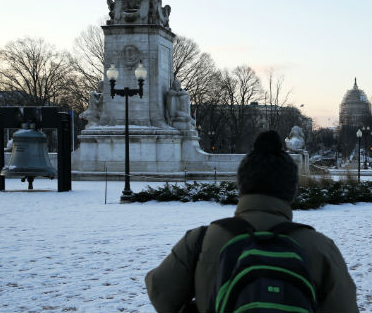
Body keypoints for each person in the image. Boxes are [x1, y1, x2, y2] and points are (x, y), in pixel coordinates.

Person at [145, 131, 358, 313]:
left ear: (241, 185)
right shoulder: (320, 248)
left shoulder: (201, 240)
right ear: (292, 190)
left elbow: (160, 293)